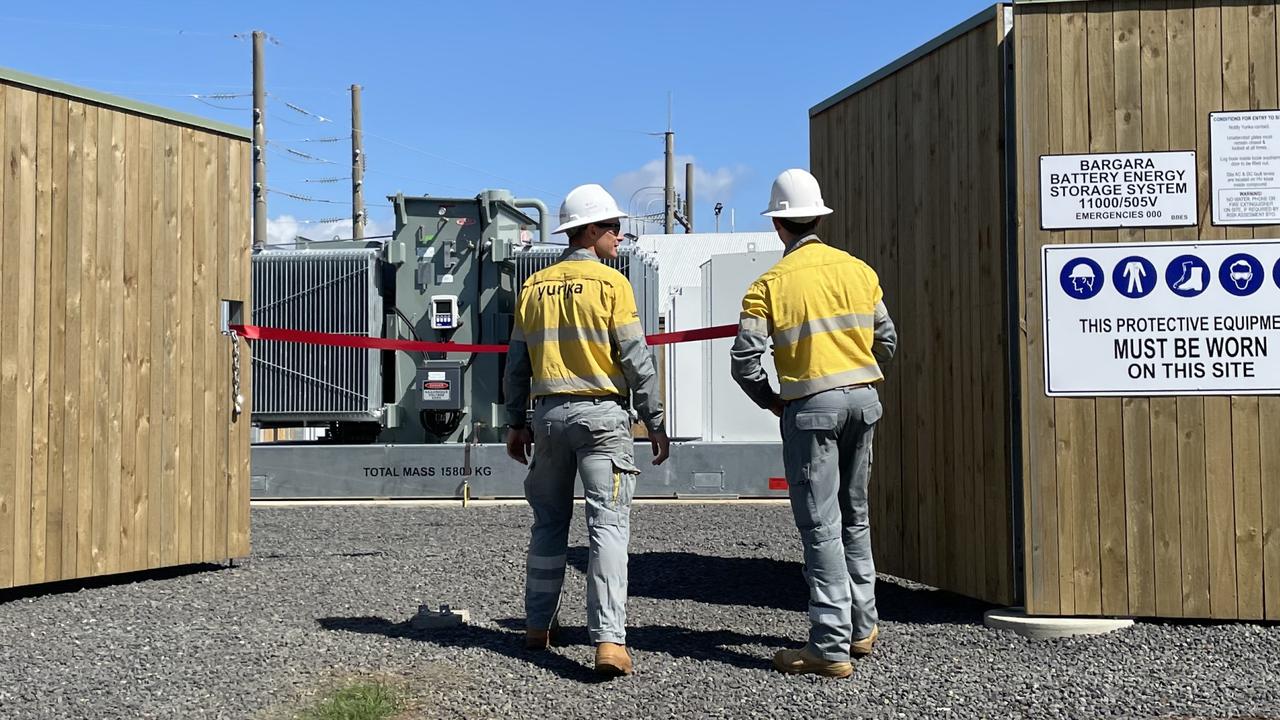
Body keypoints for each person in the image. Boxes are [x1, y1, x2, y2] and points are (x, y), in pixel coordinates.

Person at [730, 168, 896, 678]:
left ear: (778, 225)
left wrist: (772, 401)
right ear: (819, 217)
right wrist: (860, 379)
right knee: (856, 513)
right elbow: (886, 339)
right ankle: (862, 625)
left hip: (810, 409)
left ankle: (829, 645)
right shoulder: (859, 271)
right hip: (864, 402)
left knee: (820, 525)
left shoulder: (769, 285)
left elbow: (744, 361)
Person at [503, 183, 670, 677]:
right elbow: (636, 360)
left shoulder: (533, 287)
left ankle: (538, 626)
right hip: (602, 420)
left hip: (548, 420)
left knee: (548, 525)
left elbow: (516, 364)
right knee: (608, 527)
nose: (620, 236)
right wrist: (655, 421)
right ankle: (609, 642)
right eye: (614, 228)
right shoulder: (613, 284)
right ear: (592, 230)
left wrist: (516, 422)